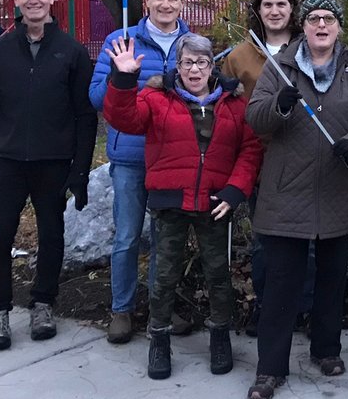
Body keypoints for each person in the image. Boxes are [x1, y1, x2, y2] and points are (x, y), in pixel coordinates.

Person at [245, 0, 348, 399]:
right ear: (302, 25)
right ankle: (270, 368)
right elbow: (256, 117)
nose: (321, 25)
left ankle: (327, 350)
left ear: (339, 26)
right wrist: (281, 106)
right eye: (313, 19)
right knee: (281, 284)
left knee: (331, 279)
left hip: (340, 188)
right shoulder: (281, 67)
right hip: (289, 192)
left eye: (328, 19)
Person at [103, 33, 261, 379]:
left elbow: (250, 150)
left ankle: (220, 336)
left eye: (202, 62)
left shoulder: (233, 103)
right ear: (178, 64)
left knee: (218, 274)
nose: (194, 69)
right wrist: (124, 78)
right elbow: (124, 118)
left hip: (215, 202)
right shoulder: (158, 96)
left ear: (211, 66)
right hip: (170, 201)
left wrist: (236, 190)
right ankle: (158, 339)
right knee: (164, 275)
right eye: (187, 62)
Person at [0, 0, 97, 351]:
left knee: (52, 235)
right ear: (17, 1)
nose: (34, 0)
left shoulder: (71, 52)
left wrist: (80, 170)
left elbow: (85, 116)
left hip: (52, 160)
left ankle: (43, 303)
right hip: (6, 159)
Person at [89, 0, 192, 344]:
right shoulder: (122, 41)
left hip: (172, 157)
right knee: (128, 236)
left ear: (183, 3)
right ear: (146, 0)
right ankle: (122, 309)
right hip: (132, 156)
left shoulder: (192, 44)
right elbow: (97, 99)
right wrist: (122, 75)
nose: (166, 4)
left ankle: (162, 308)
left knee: (168, 240)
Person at [220, 0, 303, 337]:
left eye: (281, 4)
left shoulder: (309, 48)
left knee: (306, 241)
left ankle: (304, 308)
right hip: (260, 161)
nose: (274, 11)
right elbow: (226, 111)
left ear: (292, 9)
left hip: (303, 158)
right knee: (265, 242)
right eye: (267, 5)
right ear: (257, 10)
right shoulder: (239, 57)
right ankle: (266, 309)